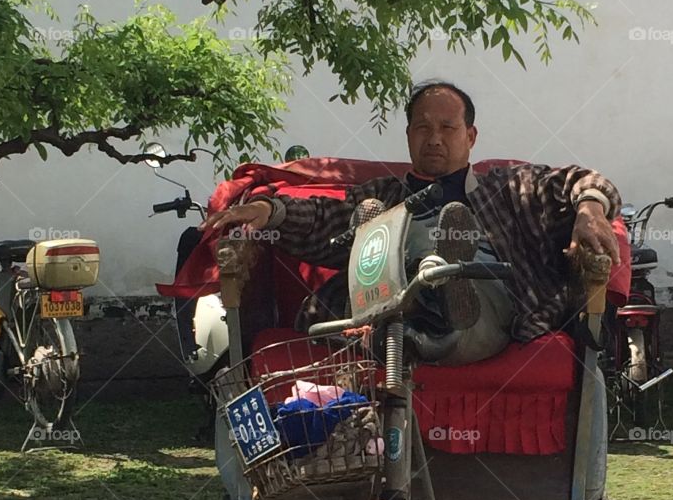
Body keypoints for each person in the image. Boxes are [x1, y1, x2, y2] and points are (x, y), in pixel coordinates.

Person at [203, 81, 621, 364]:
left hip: (482, 305)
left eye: (447, 127)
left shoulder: (509, 186)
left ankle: (436, 277)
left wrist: (590, 209)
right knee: (388, 229)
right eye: (422, 127)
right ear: (407, 135)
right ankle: (418, 286)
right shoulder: (381, 195)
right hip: (393, 302)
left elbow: (585, 180)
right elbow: (322, 217)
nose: (434, 138)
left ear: (470, 136)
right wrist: (270, 210)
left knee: (424, 240)